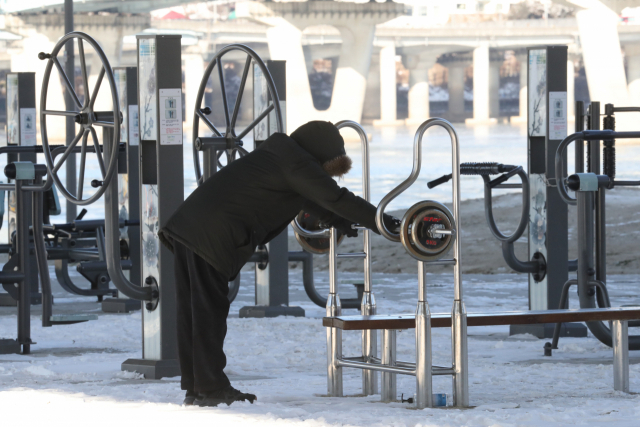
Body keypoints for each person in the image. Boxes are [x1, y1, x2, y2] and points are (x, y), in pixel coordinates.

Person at [158, 121, 400, 407]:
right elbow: (335, 196)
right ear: (320, 155)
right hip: (211, 236)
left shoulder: (279, 155)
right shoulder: (295, 162)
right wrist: (383, 222)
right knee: (208, 313)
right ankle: (210, 388)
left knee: (193, 312)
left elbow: (316, 202)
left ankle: (196, 387)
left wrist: (341, 221)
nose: (323, 174)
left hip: (189, 227)